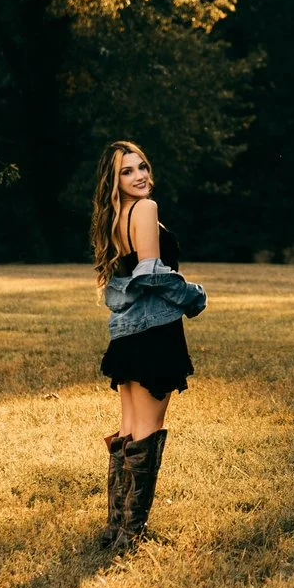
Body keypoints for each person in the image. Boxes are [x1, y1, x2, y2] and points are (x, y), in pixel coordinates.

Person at [90, 140, 206, 546]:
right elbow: (153, 276)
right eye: (127, 171)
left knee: (127, 431)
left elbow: (122, 282)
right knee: (146, 431)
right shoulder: (146, 210)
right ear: (114, 180)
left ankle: (115, 528)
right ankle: (131, 534)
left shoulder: (115, 216)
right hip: (155, 333)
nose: (139, 176)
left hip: (126, 334)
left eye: (141, 166)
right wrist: (194, 296)